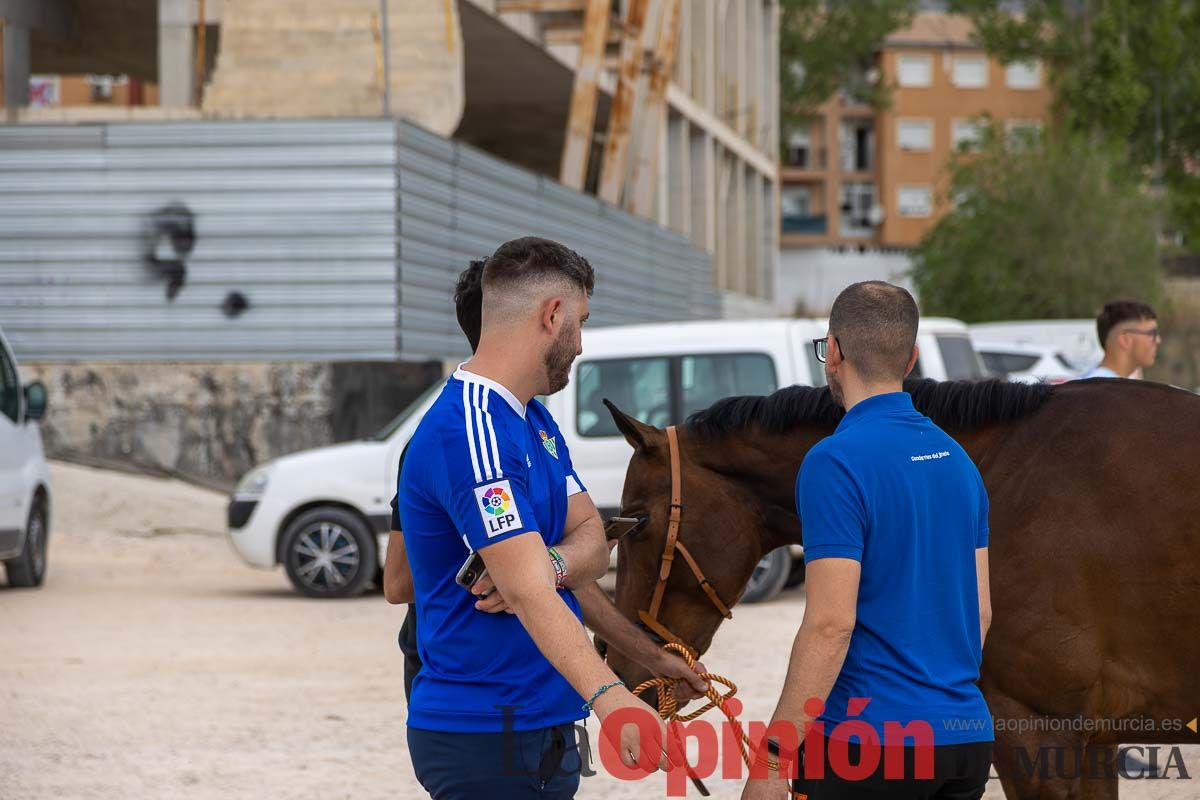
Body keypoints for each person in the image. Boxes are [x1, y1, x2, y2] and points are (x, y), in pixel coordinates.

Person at [399, 237, 686, 799]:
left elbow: (592, 542)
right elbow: (528, 594)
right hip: (484, 728)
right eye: (579, 322)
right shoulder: (471, 429)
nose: (580, 343)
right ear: (551, 315)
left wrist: (547, 563)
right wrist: (613, 698)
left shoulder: (534, 421)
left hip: (544, 722)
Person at [743, 282, 993, 800]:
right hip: (965, 736)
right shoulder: (959, 461)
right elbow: (982, 612)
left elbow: (831, 625)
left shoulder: (835, 462)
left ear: (832, 352)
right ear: (913, 357)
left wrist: (772, 758)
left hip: (870, 744)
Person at [1079, 300, 1160, 379]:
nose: (1158, 340)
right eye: (1151, 333)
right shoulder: (1102, 387)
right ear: (1125, 340)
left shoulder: (1091, 384)